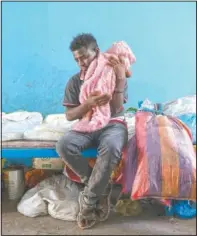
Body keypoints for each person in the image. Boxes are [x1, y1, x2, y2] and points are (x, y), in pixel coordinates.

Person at [56, 33, 129, 229]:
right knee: (64, 145)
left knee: (112, 146)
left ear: (96, 52)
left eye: (84, 57)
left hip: (113, 123)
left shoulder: (113, 72)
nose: (81, 62)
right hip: (88, 124)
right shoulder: (74, 81)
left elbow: (116, 110)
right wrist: (88, 104)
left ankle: (88, 202)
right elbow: (70, 116)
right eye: (77, 59)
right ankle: (100, 187)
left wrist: (120, 80)